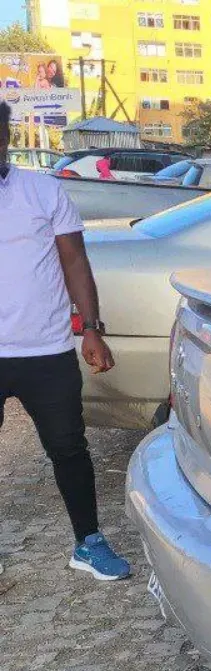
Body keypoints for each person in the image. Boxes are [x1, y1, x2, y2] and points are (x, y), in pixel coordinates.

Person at [0, 101, 131, 581]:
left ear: (5, 137)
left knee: (69, 447)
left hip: (46, 350)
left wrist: (91, 327)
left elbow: (74, 260)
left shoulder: (43, 190)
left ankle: (88, 542)